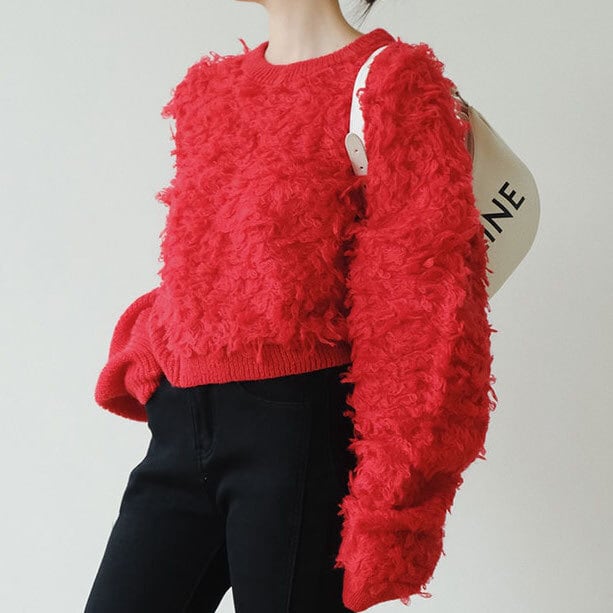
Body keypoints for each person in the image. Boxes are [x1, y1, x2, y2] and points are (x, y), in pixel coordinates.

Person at [85, 1, 497, 611]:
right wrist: (157, 345)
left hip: (295, 433)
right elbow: (204, 255)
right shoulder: (210, 89)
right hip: (181, 425)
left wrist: (392, 504)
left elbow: (421, 307)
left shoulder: (391, 83)